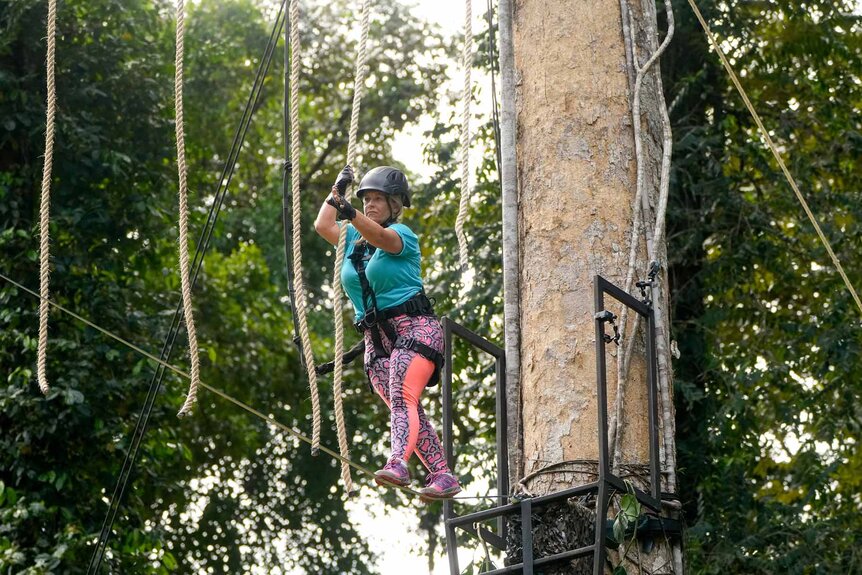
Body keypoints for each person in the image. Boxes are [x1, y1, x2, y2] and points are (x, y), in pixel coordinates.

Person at [314, 165, 461, 501]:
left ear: (395, 205)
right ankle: (442, 475)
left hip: (415, 330)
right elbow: (322, 225)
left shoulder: (403, 235)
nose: (370, 204)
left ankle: (397, 462)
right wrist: (337, 190)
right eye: (366, 199)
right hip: (376, 340)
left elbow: (380, 238)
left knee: (401, 395)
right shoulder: (351, 239)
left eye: (379, 199)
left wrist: (348, 210)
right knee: (404, 403)